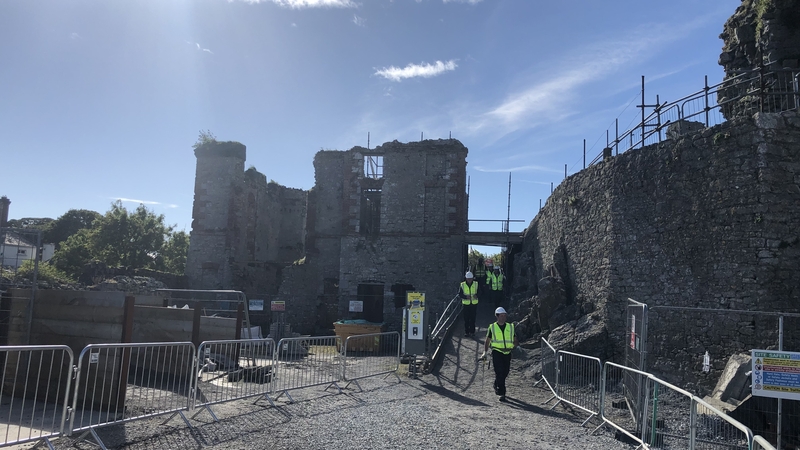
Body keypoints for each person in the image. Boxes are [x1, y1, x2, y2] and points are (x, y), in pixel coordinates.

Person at [482, 306, 518, 402]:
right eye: (501, 316)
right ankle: (502, 393)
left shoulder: (510, 327)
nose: (503, 317)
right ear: (497, 316)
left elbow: (514, 339)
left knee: (505, 372)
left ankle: (496, 383)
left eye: (504, 315)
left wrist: (516, 346)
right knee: (499, 372)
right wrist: (485, 352)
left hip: (507, 352)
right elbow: (487, 340)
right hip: (497, 351)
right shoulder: (492, 327)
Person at [458, 271, 479, 337]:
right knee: (466, 319)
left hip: (474, 304)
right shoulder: (462, 285)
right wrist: (465, 297)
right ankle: (467, 332)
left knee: (472, 318)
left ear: (473, 278)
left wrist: (477, 295)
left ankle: (472, 332)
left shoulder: (476, 284)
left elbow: (481, 292)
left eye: (471, 278)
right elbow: (460, 294)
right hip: (466, 304)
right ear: (466, 278)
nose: (469, 280)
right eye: (468, 279)